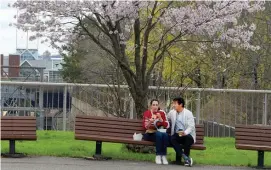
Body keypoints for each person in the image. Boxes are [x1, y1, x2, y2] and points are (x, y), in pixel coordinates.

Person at [167, 97, 195, 167]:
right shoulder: (172, 112)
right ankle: (185, 158)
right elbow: (166, 118)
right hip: (177, 134)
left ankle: (185, 159)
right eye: (173, 103)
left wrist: (185, 132)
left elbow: (191, 126)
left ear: (181, 104)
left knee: (187, 138)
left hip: (187, 134)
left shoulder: (188, 113)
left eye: (175, 103)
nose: (173, 105)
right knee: (172, 138)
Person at [142, 99, 169, 165]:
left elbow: (167, 125)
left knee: (165, 135)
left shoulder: (161, 113)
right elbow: (145, 127)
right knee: (159, 135)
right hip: (149, 134)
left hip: (159, 133)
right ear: (151, 106)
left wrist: (160, 119)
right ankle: (158, 156)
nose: (155, 106)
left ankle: (164, 156)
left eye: (156, 105)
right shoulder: (147, 113)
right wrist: (150, 122)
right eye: (153, 105)